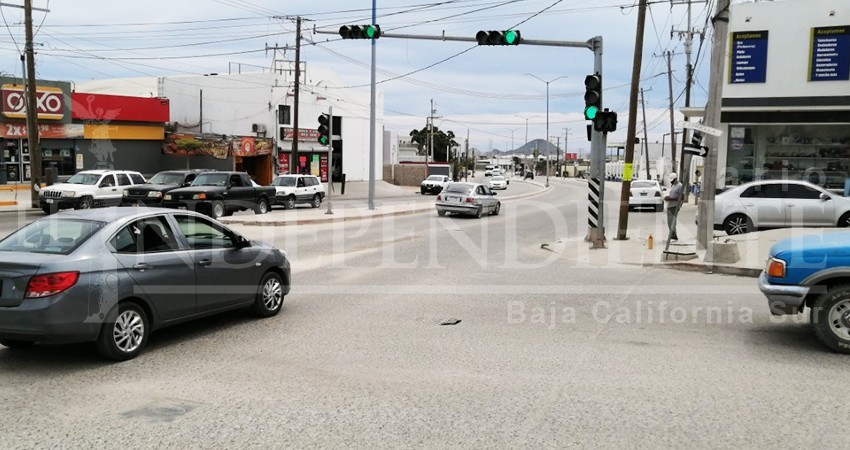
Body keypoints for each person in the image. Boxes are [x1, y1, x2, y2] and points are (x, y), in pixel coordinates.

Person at [664, 172, 683, 241]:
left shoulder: (680, 186)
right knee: (669, 222)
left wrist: (670, 199)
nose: (671, 182)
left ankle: (674, 236)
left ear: (676, 179)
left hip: (675, 206)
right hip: (670, 205)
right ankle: (671, 235)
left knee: (672, 222)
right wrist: (668, 197)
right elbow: (672, 195)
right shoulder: (673, 186)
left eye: (672, 180)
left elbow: (681, 197)